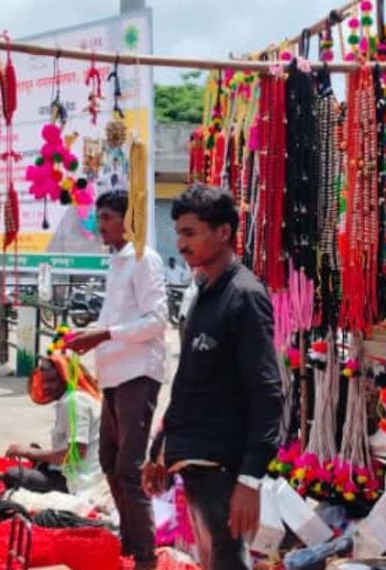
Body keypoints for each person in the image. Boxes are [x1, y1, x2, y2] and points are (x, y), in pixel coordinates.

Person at [143, 185, 283, 570]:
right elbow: (188, 381)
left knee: (226, 562)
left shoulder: (245, 296)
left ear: (223, 233)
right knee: (211, 560)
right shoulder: (204, 291)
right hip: (196, 463)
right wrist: (161, 448)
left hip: (224, 469)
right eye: (179, 234)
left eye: (190, 233)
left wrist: (250, 480)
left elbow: (268, 393)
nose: (181, 244)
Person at [67, 190, 168, 569]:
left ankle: (145, 555)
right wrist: (91, 335)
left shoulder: (145, 258)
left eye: (107, 216)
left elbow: (157, 321)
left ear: (128, 219)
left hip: (137, 373)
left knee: (130, 468)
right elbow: (116, 321)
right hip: (113, 373)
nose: (101, 225)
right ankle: (130, 542)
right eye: (100, 216)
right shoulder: (117, 263)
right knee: (109, 459)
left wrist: (103, 335)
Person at [4, 354, 102, 494]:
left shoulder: (74, 402)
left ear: (66, 378)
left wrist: (27, 452)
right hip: (72, 472)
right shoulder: (72, 399)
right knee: (35, 456)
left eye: (52, 381)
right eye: (44, 381)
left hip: (79, 481)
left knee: (12, 475)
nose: (46, 386)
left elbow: (75, 453)